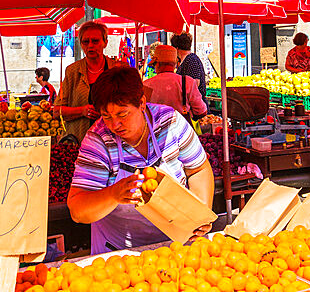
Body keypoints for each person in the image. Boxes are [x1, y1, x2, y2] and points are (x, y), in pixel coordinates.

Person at [67, 65, 214, 253]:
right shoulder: (98, 141)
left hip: (177, 247)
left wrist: (200, 213)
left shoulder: (170, 122)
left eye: (122, 114)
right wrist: (113, 194)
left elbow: (198, 169)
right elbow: (78, 209)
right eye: (106, 116)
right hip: (120, 256)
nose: (115, 124)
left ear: (142, 103)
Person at [55, 20, 120, 142]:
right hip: (80, 141)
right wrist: (82, 111)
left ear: (105, 42)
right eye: (85, 41)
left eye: (95, 41)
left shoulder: (118, 69)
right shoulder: (72, 71)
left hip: (113, 140)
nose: (90, 45)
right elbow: (57, 111)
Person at [144, 44, 207, 120]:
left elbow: (143, 112)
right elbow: (201, 111)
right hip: (182, 129)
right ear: (175, 65)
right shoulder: (187, 82)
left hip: (155, 129)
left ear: (157, 65)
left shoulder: (146, 84)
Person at [171, 32, 206, 100]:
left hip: (196, 106)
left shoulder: (191, 60)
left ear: (177, 48)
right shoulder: (187, 60)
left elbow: (194, 84)